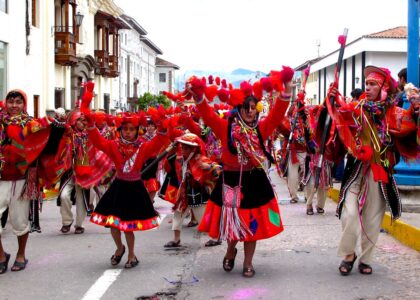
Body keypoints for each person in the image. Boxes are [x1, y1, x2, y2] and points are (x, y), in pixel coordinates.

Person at [188, 69, 293, 277]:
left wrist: (286, 91)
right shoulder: (225, 126)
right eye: (246, 107)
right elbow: (207, 115)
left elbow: (277, 114)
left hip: (254, 180)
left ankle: (248, 262)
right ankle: (229, 251)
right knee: (232, 223)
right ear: (239, 107)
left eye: (254, 107)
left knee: (251, 225)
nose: (250, 111)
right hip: (231, 181)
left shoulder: (261, 129)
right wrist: (199, 96)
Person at [327, 66, 419, 276]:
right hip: (356, 168)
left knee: (373, 216)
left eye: (372, 85)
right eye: (366, 84)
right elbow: (338, 119)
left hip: (380, 168)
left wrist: (416, 109)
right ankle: (349, 254)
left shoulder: (394, 114)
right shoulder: (355, 108)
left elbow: (411, 127)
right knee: (349, 212)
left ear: (383, 88)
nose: (367, 88)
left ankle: (366, 258)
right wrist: (331, 101)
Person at [85, 110, 171, 268]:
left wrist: (162, 126)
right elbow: (98, 141)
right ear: (120, 130)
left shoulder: (143, 147)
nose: (129, 132)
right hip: (118, 187)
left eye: (132, 129)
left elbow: (158, 143)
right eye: (125, 129)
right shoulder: (113, 145)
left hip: (134, 188)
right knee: (112, 224)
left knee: (127, 226)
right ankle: (120, 248)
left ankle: (132, 255)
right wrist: (91, 125)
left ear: (137, 131)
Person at [0, 90, 55, 273]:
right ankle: (1, 255)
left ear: (24, 105)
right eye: (10, 102)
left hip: (21, 179)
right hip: (1, 177)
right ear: (5, 103)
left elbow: (47, 140)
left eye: (18, 102)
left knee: (19, 221)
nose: (14, 105)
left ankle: (20, 254)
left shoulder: (31, 125)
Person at [164, 133, 221, 248]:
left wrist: (209, 167)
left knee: (204, 218)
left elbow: (219, 170)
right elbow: (167, 166)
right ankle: (176, 239)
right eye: (182, 147)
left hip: (198, 193)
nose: (183, 150)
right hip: (184, 193)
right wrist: (171, 149)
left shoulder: (201, 159)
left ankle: (215, 238)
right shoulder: (179, 159)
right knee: (178, 215)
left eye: (186, 148)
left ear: (193, 149)